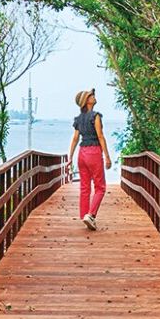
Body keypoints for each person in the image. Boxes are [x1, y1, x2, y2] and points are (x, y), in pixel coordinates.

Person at [68, 88, 112, 231]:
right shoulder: (95, 116)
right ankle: (91, 215)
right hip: (93, 152)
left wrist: (70, 157)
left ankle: (84, 215)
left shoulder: (78, 119)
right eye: (91, 96)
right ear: (86, 101)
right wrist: (107, 156)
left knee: (84, 187)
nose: (93, 97)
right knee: (100, 187)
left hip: (82, 153)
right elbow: (100, 136)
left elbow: (75, 139)